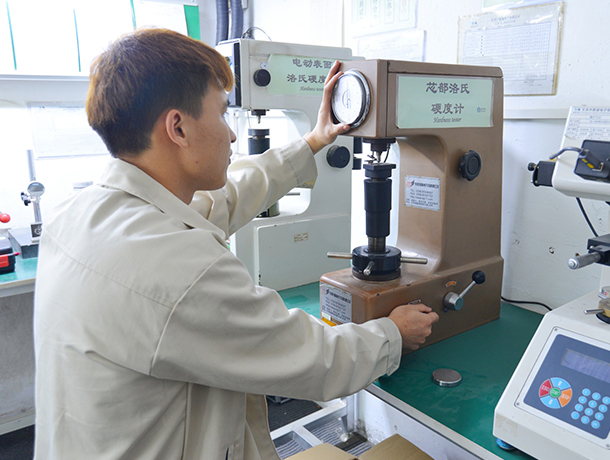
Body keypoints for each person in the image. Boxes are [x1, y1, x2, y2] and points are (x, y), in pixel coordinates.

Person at [33, 28, 439, 460]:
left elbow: (222, 200)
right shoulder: (180, 268)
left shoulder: (78, 214)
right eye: (222, 114)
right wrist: (393, 334)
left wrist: (314, 141)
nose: (230, 135)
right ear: (178, 127)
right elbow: (314, 360)